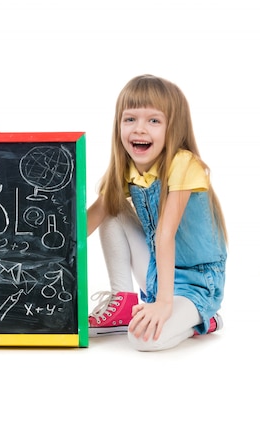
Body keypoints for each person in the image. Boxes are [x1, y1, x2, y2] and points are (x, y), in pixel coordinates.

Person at [87, 74, 227, 351]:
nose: (139, 129)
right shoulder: (125, 169)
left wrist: (163, 304)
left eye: (153, 120)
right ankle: (124, 300)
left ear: (172, 128)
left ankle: (203, 319)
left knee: (141, 340)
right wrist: (47, 245)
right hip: (155, 272)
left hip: (196, 283)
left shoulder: (184, 163)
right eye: (130, 119)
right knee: (112, 209)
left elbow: (165, 234)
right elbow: (91, 219)